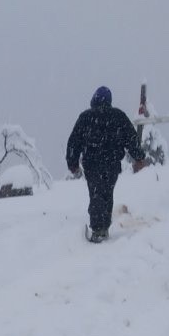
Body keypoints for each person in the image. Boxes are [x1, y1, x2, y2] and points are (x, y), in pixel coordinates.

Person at [65, 86, 145, 243]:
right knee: (107, 194)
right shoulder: (118, 116)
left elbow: (74, 142)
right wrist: (139, 157)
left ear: (94, 99)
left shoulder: (86, 117)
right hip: (112, 164)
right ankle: (104, 227)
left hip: (92, 165)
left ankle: (98, 230)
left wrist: (72, 162)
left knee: (96, 194)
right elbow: (131, 138)